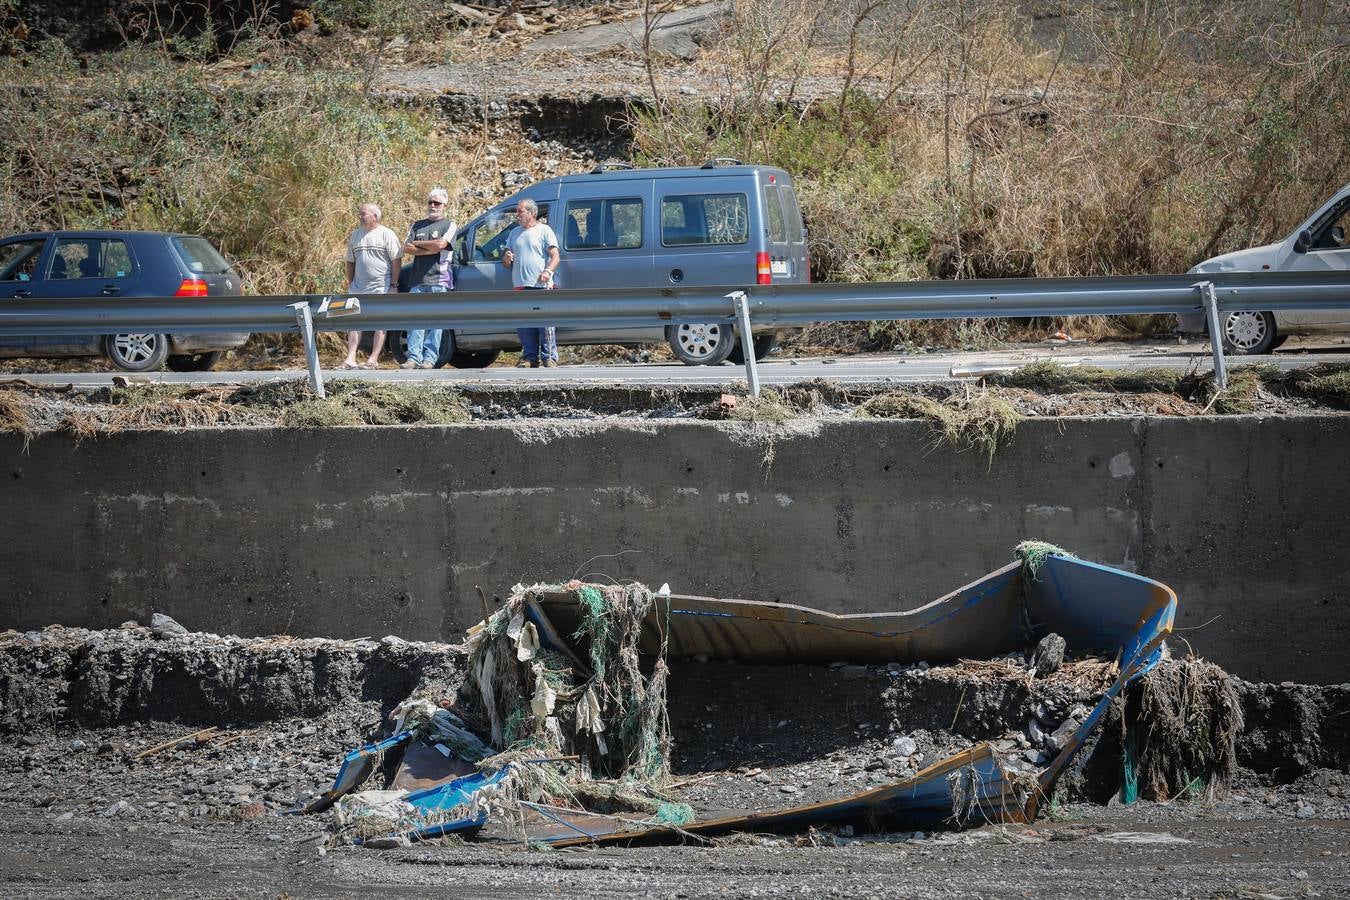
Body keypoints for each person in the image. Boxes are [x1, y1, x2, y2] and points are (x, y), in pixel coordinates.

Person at [338, 203, 403, 370]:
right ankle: (351, 358)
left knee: (380, 322)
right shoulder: (355, 235)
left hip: (381, 286)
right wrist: (351, 282)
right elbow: (350, 261)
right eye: (360, 214)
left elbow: (396, 260)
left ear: (375, 216)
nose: (360, 217)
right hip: (358, 287)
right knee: (354, 322)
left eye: (363, 214)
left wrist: (394, 285)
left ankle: (373, 359)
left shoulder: (386, 234)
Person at [401, 187, 457, 369]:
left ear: (444, 205)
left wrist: (418, 244)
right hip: (417, 280)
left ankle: (429, 359)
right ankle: (413, 358)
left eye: (437, 203)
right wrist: (429, 249)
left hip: (439, 280)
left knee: (436, 322)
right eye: (430, 202)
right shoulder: (417, 225)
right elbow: (406, 247)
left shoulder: (449, 225)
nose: (433, 205)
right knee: (414, 320)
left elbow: (440, 245)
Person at [502, 198, 560, 368]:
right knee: (524, 324)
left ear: (532, 213)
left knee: (546, 323)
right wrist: (507, 258)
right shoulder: (514, 233)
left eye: (520, 211)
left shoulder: (544, 230)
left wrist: (547, 271)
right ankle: (529, 358)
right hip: (520, 285)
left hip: (541, 285)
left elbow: (555, 256)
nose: (517, 215)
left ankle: (549, 357)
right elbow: (505, 262)